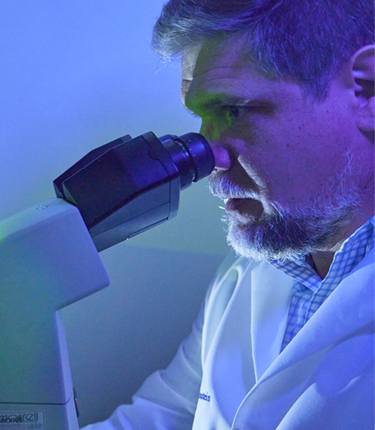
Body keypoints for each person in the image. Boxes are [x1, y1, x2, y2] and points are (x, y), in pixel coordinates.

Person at [83, 0, 374, 428]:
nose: (211, 159)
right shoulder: (244, 274)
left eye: (233, 110)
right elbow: (163, 416)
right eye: (201, 117)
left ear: (366, 90)